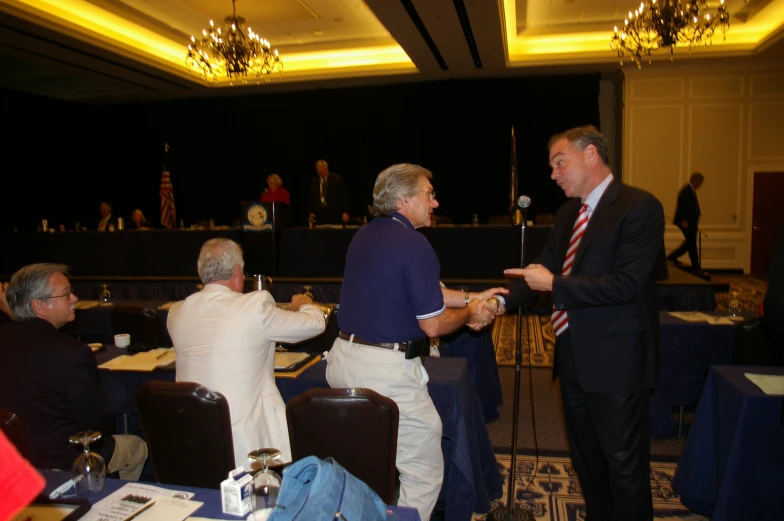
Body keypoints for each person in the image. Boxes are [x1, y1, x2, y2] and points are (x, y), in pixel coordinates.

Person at [503, 126, 664, 521]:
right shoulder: (566, 213)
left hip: (618, 362)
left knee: (624, 464)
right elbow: (544, 267)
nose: (554, 174)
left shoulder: (639, 206)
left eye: (561, 163)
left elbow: (626, 284)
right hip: (572, 354)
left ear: (591, 154)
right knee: (586, 458)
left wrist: (554, 285)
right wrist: (497, 301)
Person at [326, 163, 503, 521]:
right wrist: (472, 313)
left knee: (369, 462)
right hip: (386, 373)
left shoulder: (364, 236)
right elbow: (433, 324)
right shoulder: (414, 244)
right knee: (423, 471)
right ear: (404, 200)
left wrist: (470, 297)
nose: (435, 203)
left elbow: (429, 295)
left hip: (342, 361)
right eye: (429, 195)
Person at [167, 238, 326, 466]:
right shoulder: (254, 307)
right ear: (237, 272)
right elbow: (315, 323)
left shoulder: (176, 312)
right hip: (246, 443)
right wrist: (302, 304)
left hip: (192, 436)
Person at [0, 263, 148, 478]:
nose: (75, 299)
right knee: (136, 446)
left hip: (11, 455)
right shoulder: (71, 353)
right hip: (62, 459)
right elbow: (96, 423)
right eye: (66, 294)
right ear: (39, 306)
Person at [667, 172, 704, 271]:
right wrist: (683, 220)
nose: (701, 185)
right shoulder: (686, 191)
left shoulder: (691, 191)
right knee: (691, 243)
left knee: (690, 242)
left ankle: (672, 257)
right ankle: (695, 266)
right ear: (696, 181)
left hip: (690, 222)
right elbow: (681, 206)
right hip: (686, 222)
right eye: (700, 183)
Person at [307, 159, 349, 225]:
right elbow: (310, 199)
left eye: (323, 171)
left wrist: (345, 211)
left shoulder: (336, 179)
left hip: (334, 215)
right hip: (318, 216)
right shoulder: (314, 182)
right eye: (319, 172)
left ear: (327, 169)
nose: (321, 174)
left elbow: (344, 197)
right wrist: (310, 212)